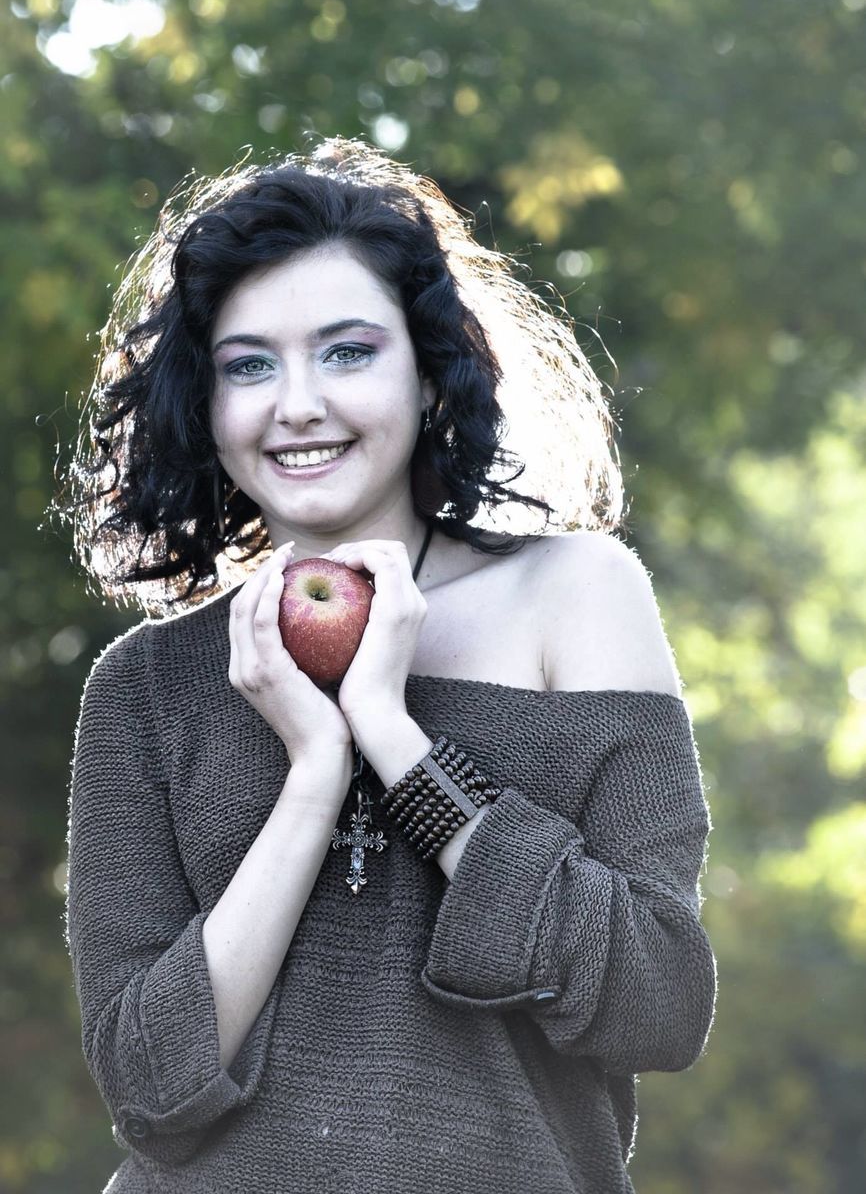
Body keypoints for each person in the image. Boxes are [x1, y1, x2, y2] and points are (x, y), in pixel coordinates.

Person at [59, 136, 716, 1193]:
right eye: (249, 364)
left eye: (347, 351)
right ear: (206, 403)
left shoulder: (577, 593)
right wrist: (314, 768)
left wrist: (394, 738)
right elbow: (147, 1082)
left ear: (427, 368)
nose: (298, 402)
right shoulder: (148, 683)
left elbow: (656, 1001)